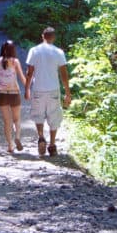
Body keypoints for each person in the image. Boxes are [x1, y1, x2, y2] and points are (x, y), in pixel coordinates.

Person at [23, 26, 70, 156]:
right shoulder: (59, 52)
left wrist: (27, 89)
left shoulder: (34, 50)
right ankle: (52, 144)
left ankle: (41, 137)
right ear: (53, 37)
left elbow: (29, 72)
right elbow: (64, 74)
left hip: (38, 89)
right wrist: (67, 93)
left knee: (39, 115)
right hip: (53, 90)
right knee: (54, 117)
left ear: (42, 36)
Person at [0, 40, 27, 154]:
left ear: (2, 49)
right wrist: (28, 88)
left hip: (2, 94)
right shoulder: (15, 61)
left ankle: (10, 145)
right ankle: (17, 136)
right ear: (13, 50)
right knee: (16, 119)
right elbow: (22, 78)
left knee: (7, 121)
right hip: (14, 93)